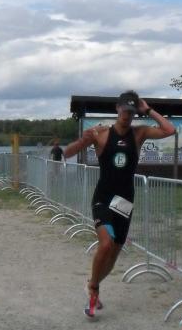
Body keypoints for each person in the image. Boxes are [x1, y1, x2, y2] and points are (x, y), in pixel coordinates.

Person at [63, 91, 175, 318]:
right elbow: (68, 152)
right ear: (117, 108)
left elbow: (169, 130)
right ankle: (93, 290)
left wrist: (148, 110)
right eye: (124, 110)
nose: (127, 115)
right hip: (103, 197)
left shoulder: (139, 133)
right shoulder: (101, 134)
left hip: (124, 200)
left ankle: (92, 283)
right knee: (105, 244)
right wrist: (83, 140)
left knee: (113, 255)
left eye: (132, 112)